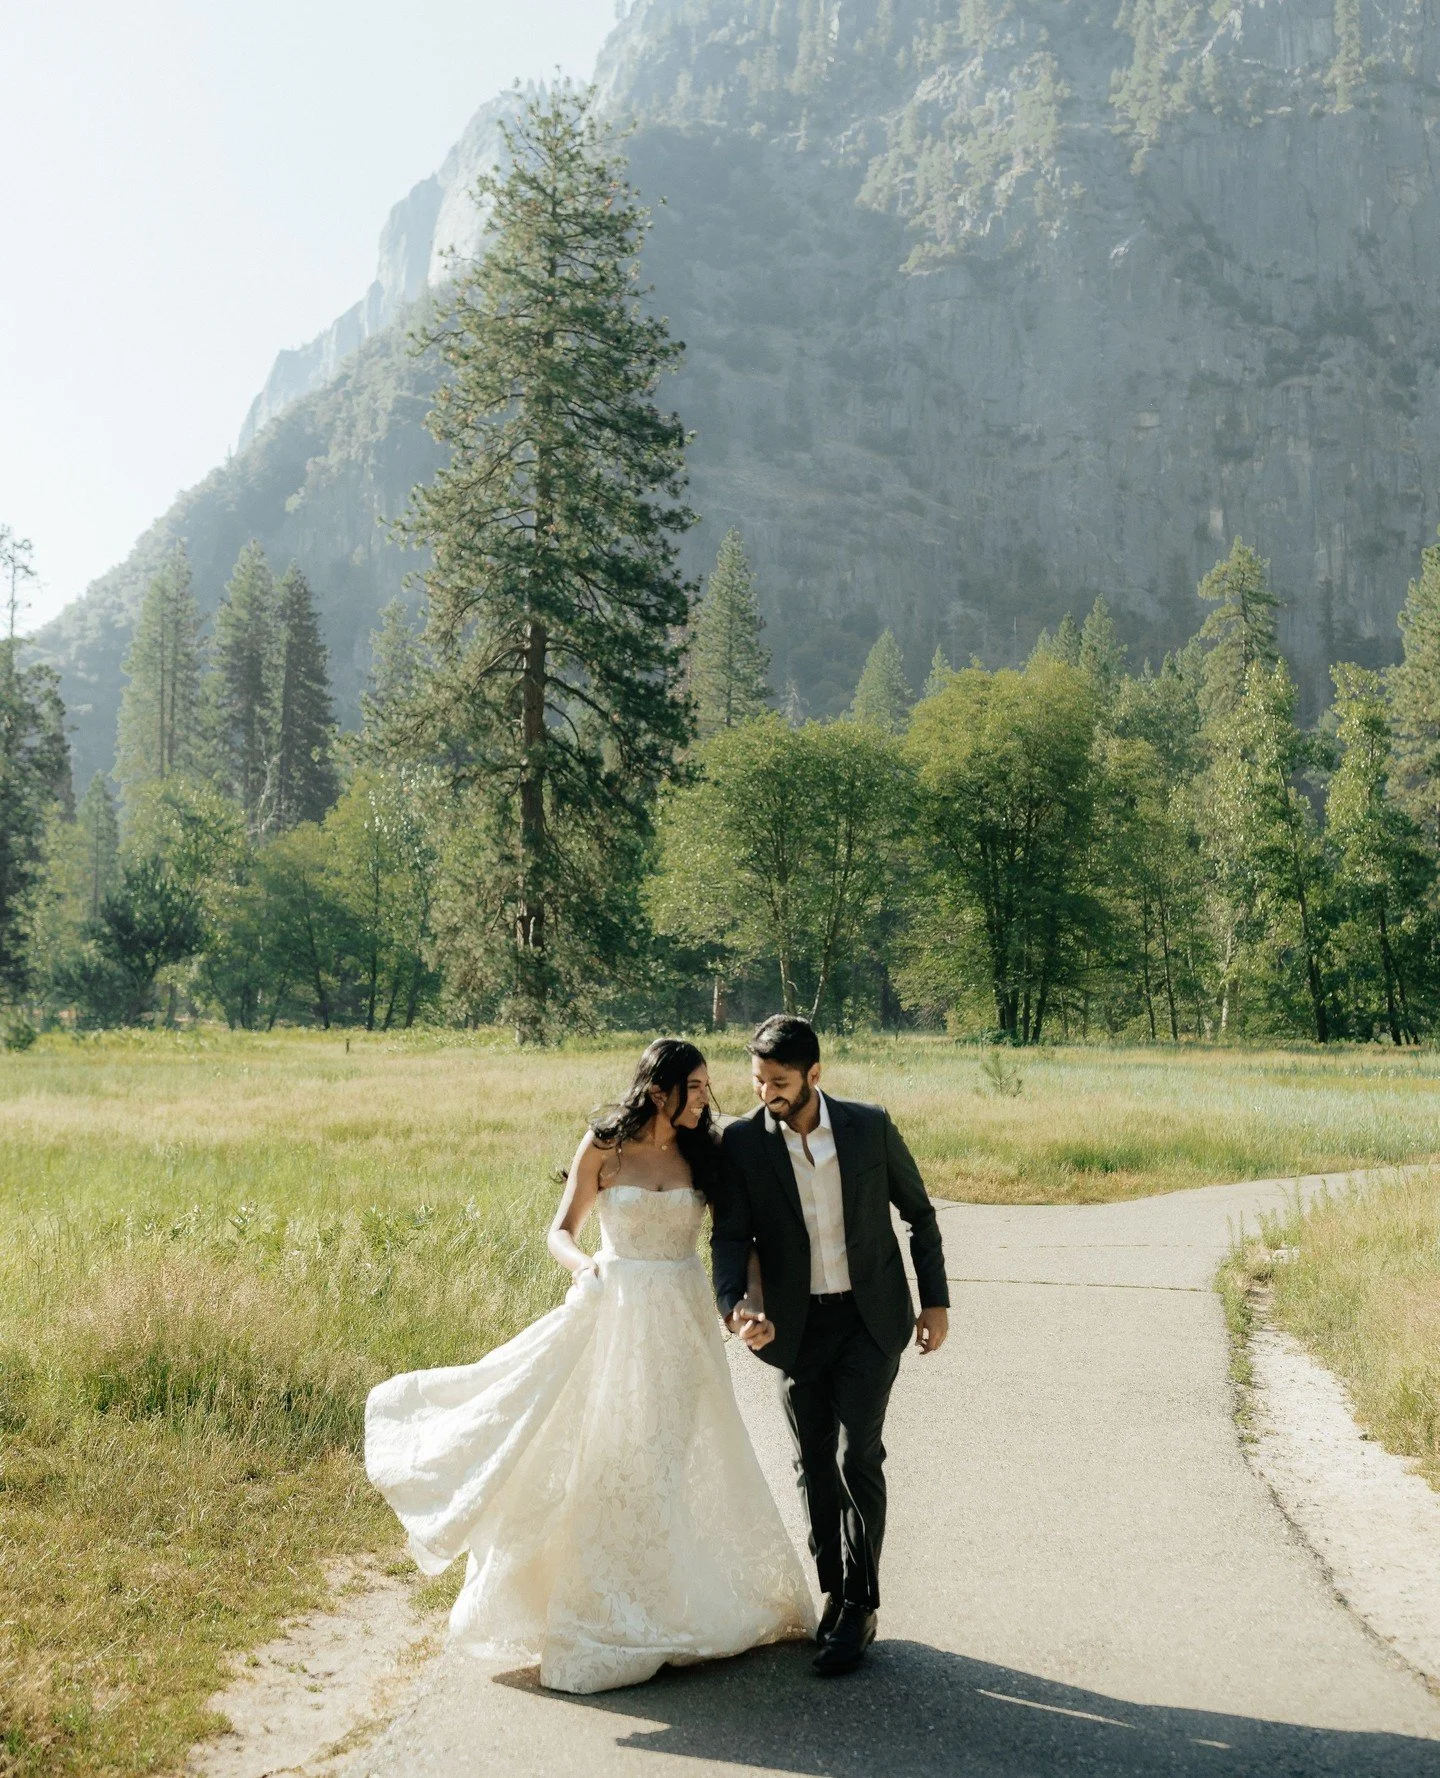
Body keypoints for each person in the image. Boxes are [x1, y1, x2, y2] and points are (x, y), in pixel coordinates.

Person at [365, 1038, 813, 1695]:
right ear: (658, 1090)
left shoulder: (706, 1153)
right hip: (617, 1313)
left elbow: (736, 1241)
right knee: (613, 1460)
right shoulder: (604, 1146)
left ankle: (664, 1608)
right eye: (694, 1087)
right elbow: (560, 1231)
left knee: (666, 1460)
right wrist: (586, 1267)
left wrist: (748, 1303)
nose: (705, 1098)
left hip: (683, 1321)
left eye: (707, 1087)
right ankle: (606, 1611)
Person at [712, 1014, 949, 1676]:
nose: (766, 1093)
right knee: (811, 1462)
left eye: (779, 1081)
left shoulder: (868, 1127)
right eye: (758, 1080)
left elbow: (919, 1214)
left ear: (815, 1075)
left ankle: (858, 1605)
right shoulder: (743, 1145)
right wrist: (735, 1306)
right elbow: (731, 1237)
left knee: (856, 1456)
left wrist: (935, 1301)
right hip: (793, 1328)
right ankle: (834, 1590)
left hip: (870, 1321)